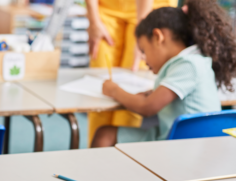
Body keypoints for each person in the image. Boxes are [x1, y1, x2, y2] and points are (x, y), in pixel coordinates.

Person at [91, 0, 236, 147]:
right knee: (105, 133)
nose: (143, 57)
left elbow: (147, 108)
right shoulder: (192, 60)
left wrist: (114, 90)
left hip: (184, 144)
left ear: (158, 37)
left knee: (104, 135)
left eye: (143, 50)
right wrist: (152, 93)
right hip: (187, 139)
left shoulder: (188, 65)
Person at [85, 0, 178, 145]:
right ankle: (96, 154)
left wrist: (142, 34)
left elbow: (146, 107)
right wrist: (93, 19)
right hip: (108, 8)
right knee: (99, 92)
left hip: (151, 9)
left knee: (133, 89)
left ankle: (124, 155)